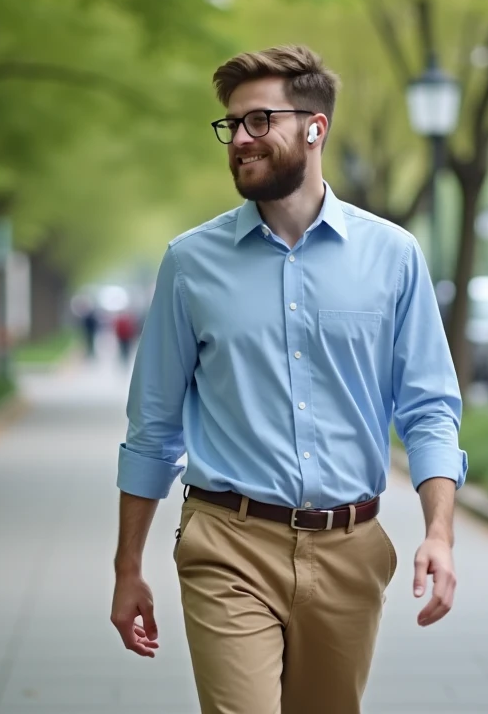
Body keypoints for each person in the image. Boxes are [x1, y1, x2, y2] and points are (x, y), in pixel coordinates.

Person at [110, 45, 466, 714]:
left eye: (259, 121)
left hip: (350, 549)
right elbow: (153, 426)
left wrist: (439, 534)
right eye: (232, 125)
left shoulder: (393, 257)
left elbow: (429, 410)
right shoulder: (191, 263)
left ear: (314, 128)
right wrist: (127, 567)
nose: (241, 139)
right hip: (228, 543)